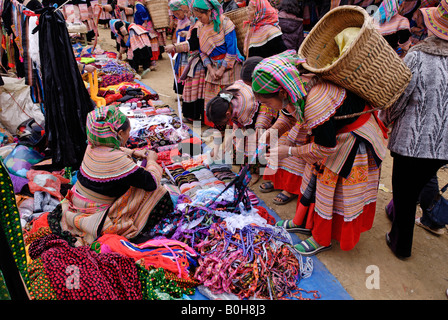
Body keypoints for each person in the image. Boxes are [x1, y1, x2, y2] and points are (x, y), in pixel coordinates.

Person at [252, 50, 388, 256]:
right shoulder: (293, 86)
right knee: (312, 177)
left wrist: (288, 151)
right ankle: (304, 223)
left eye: (267, 103)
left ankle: (321, 238)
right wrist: (272, 131)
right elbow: (288, 114)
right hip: (330, 134)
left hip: (350, 139)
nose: (266, 107)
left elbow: (325, 148)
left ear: (280, 93)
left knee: (328, 188)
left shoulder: (315, 101)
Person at [379, 0, 448, 259]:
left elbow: (399, 96)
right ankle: (402, 214)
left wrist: (386, 118)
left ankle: (400, 245)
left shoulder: (417, 56)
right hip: (443, 146)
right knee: (418, 185)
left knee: (405, 195)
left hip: (412, 141)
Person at [58, 106, 173, 247]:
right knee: (157, 192)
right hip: (96, 216)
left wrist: (133, 152)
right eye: (128, 132)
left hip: (77, 204)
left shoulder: (92, 146)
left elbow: (112, 149)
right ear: (119, 133)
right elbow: (152, 182)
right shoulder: (118, 161)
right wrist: (151, 161)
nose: (129, 136)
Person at [192, 0, 244, 127]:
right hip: (212, 68)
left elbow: (232, 49)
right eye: (197, 17)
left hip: (229, 68)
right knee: (213, 99)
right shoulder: (201, 27)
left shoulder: (225, 23)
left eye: (200, 16)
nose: (199, 20)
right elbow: (202, 51)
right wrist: (210, 68)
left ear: (209, 11)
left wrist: (222, 69)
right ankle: (217, 126)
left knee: (228, 98)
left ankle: (230, 127)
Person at [167, 0, 191, 95]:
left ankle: (185, 92)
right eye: (175, 15)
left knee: (185, 70)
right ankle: (181, 91)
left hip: (186, 50)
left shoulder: (189, 22)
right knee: (178, 69)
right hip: (179, 50)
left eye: (178, 13)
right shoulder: (180, 21)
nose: (177, 16)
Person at [128, 0, 160, 70]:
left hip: (145, 26)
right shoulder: (139, 4)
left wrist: (145, 22)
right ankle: (149, 63)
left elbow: (143, 12)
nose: (129, 3)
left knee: (149, 43)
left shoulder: (138, 5)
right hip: (144, 25)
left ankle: (152, 63)